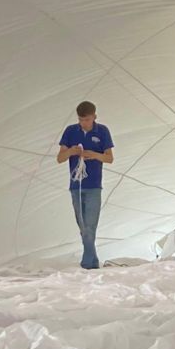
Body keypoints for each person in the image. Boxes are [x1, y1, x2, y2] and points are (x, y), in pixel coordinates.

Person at [57, 101, 113, 270]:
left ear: (94, 117)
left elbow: (109, 158)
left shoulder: (102, 131)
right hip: (76, 185)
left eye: (87, 120)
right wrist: (71, 152)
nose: (84, 123)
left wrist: (94, 155)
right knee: (82, 225)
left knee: (90, 225)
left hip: (94, 185)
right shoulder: (70, 131)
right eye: (81, 120)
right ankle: (92, 260)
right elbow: (60, 158)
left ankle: (88, 263)